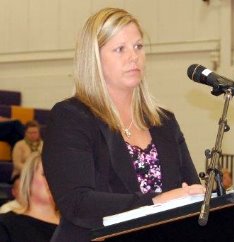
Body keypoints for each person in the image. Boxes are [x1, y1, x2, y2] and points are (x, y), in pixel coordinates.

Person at [42, 7, 205, 242]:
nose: (133, 57)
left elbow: (188, 191)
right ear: (94, 58)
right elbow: (77, 202)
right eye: (120, 49)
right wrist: (155, 202)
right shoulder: (71, 117)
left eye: (138, 46)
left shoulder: (165, 122)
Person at [0, 152, 59, 242]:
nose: (53, 180)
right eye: (45, 174)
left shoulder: (77, 226)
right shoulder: (5, 224)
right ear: (28, 179)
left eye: (59, 176)